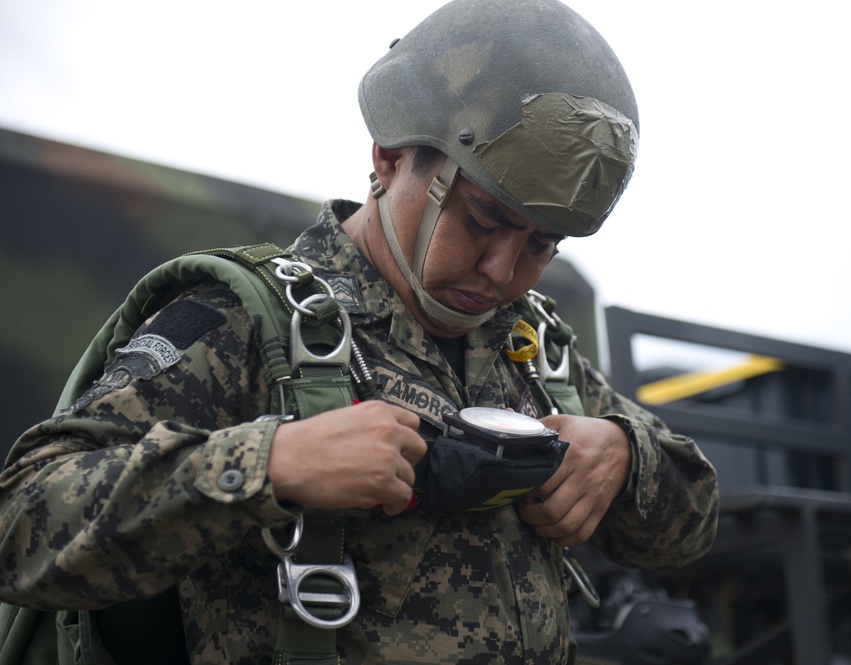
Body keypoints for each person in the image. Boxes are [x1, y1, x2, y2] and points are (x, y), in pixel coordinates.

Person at [0, 0, 718, 663]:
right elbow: (21, 524)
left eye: (540, 246)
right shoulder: (248, 321)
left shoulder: (529, 347)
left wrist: (626, 458)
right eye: (484, 222)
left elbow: (691, 522)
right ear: (390, 156)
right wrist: (270, 464)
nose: (502, 272)